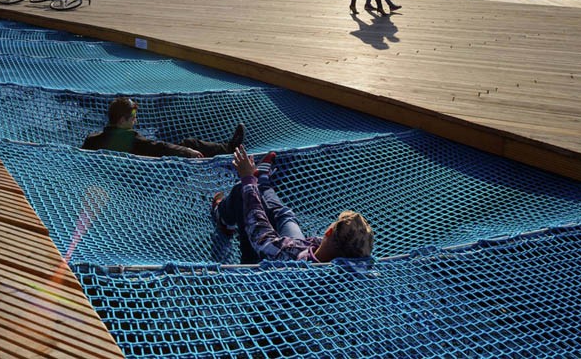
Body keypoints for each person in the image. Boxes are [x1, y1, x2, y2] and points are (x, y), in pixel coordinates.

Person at [211, 145, 374, 263]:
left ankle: (222, 218)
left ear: (329, 231)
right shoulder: (344, 268)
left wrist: (247, 179)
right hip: (305, 256)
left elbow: (260, 232)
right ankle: (263, 181)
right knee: (285, 216)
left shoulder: (290, 256)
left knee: (243, 192)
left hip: (260, 266)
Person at [82, 96, 244, 158]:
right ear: (122, 120)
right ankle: (229, 149)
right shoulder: (131, 139)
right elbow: (160, 147)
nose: (135, 122)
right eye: (133, 118)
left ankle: (227, 148)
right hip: (147, 180)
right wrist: (188, 152)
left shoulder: (91, 140)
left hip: (118, 177)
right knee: (189, 143)